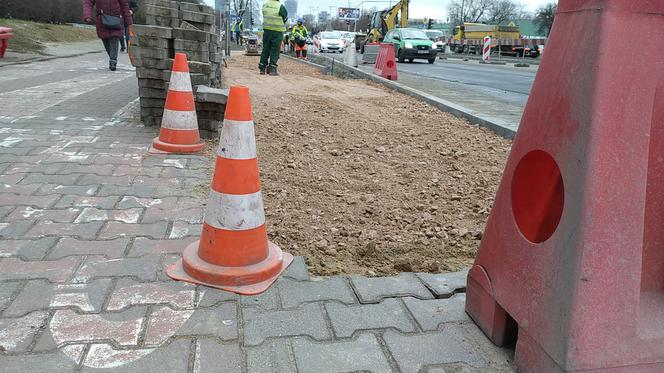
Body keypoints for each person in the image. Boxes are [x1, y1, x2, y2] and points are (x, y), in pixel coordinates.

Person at [83, 0, 133, 71]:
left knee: (114, 38)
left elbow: (124, 5)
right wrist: (87, 15)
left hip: (116, 19)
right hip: (102, 20)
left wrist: (129, 21)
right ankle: (112, 57)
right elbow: (88, 2)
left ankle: (113, 60)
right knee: (105, 39)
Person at [259, 0, 287, 76]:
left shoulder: (265, 5)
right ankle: (272, 69)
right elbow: (285, 18)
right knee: (275, 50)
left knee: (266, 49)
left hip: (267, 30)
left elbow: (264, 14)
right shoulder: (280, 6)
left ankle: (262, 68)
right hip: (277, 31)